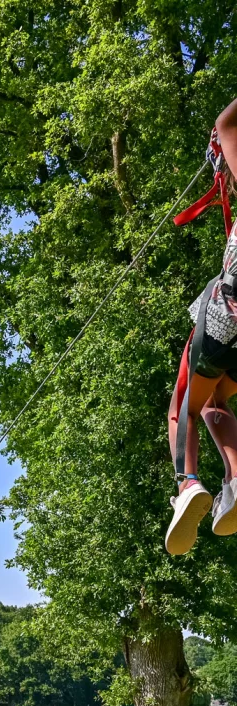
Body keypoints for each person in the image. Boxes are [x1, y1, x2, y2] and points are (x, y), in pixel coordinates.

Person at [167, 99, 237, 555]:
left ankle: (188, 483)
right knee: (216, 399)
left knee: (184, 406)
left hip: (227, 315)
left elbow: (226, 122)